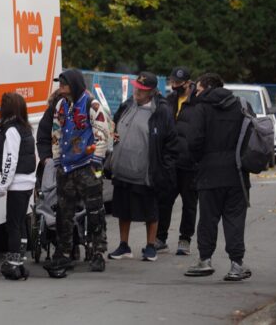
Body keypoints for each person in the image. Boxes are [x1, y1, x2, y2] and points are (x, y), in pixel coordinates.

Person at [183, 73, 252, 281]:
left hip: (208, 172)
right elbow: (252, 136)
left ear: (208, 88)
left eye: (200, 89)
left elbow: (193, 140)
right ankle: (236, 264)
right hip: (237, 172)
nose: (197, 92)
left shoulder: (202, 109)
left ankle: (205, 260)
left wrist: (198, 162)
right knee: (235, 219)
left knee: (207, 218)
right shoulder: (242, 105)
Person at [43, 69, 111, 277]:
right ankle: (64, 252)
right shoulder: (61, 106)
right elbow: (55, 133)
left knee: (95, 211)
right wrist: (56, 159)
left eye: (64, 84)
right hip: (66, 166)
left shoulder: (92, 105)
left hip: (87, 165)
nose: (60, 88)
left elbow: (102, 133)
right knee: (64, 212)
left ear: (74, 84)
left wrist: (97, 159)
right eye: (60, 84)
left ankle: (98, 252)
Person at [105, 71, 178, 262]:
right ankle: (124, 245)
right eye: (136, 87)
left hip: (146, 171)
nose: (137, 91)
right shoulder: (127, 104)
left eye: (142, 90)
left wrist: (164, 169)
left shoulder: (161, 110)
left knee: (150, 211)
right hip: (122, 168)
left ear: (152, 92)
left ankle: (151, 246)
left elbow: (170, 142)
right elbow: (114, 125)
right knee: (122, 210)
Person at [0, 92, 37, 280]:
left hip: (17, 184)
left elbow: (10, 160)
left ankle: (12, 264)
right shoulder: (26, 128)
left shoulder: (11, 130)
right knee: (20, 223)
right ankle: (19, 263)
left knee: (13, 226)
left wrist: (3, 185)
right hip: (27, 183)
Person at [157, 66, 199, 255]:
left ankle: (185, 239)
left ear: (188, 83)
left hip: (190, 163)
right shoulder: (169, 101)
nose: (173, 86)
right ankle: (160, 237)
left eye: (177, 83)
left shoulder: (198, 103)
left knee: (189, 204)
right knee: (164, 200)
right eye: (172, 82)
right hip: (171, 161)